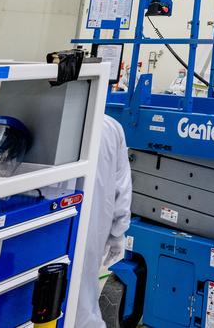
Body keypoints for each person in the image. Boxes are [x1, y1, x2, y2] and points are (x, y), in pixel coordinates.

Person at [77, 114, 133, 327]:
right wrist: (118, 232)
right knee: (82, 300)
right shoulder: (111, 126)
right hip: (93, 228)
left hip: (44, 227)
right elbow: (122, 187)